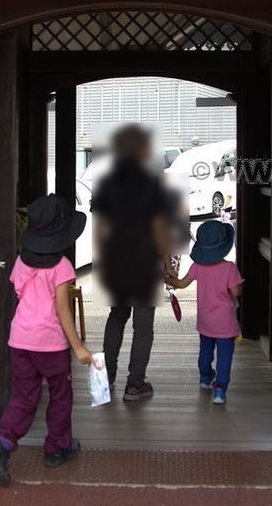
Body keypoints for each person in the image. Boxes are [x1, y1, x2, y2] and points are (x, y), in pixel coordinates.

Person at [0, 194, 93, 485]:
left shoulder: (21, 261)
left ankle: (3, 442)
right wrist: (78, 346)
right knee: (60, 395)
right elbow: (61, 308)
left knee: (24, 397)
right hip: (51, 345)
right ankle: (57, 448)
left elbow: (20, 294)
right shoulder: (63, 267)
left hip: (20, 339)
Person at [91, 124, 173, 402]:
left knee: (117, 316)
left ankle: (107, 377)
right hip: (145, 262)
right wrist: (167, 261)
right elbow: (160, 226)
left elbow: (100, 226)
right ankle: (134, 385)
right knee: (143, 324)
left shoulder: (107, 182)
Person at [165, 219, 243, 405]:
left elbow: (182, 283)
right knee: (224, 355)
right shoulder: (230, 268)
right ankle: (219, 389)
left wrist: (167, 278)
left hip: (206, 321)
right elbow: (236, 292)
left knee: (205, 350)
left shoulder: (198, 266)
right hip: (225, 323)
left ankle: (205, 378)